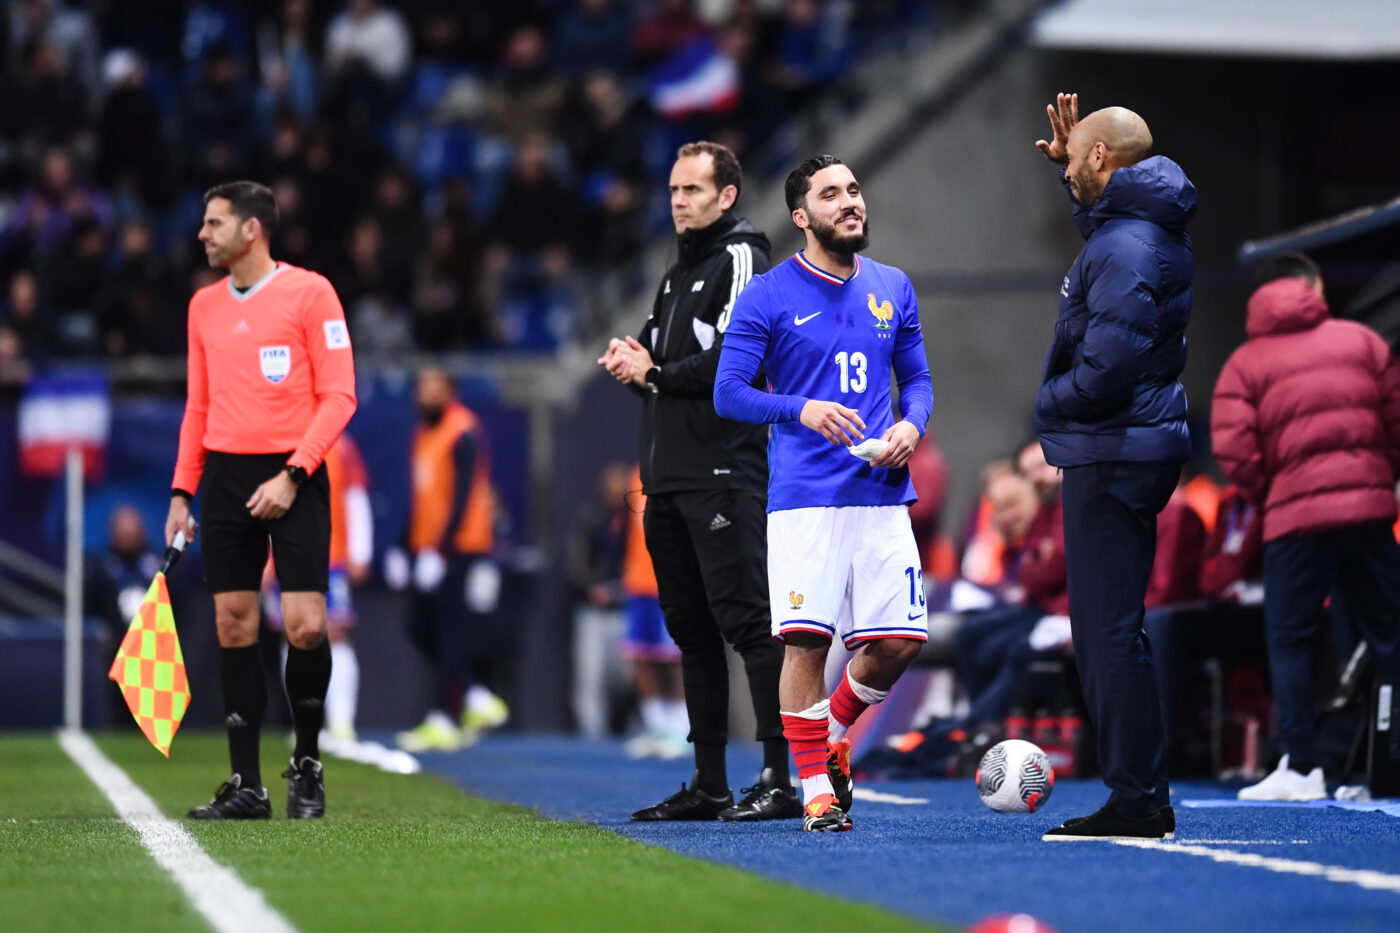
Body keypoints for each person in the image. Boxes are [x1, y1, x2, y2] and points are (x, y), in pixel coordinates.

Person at [714, 154, 934, 832]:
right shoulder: (768, 296)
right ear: (802, 216)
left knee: (900, 643)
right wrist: (800, 409)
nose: (851, 202)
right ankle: (815, 787)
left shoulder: (893, 286)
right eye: (832, 194)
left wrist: (910, 424)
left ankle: (834, 728)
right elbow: (729, 393)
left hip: (882, 493)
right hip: (806, 498)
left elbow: (918, 380)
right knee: (806, 642)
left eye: (855, 189)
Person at [598, 140, 797, 823]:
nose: (679, 200)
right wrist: (637, 366)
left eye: (693, 189)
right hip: (668, 479)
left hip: (722, 474)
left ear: (728, 196)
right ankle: (709, 781)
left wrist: (652, 371)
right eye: (675, 189)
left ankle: (779, 776)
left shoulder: (743, 258)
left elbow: (729, 366)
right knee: (691, 633)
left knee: (749, 623)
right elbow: (664, 371)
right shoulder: (674, 274)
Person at [1032, 93, 1196, 841]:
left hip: (1113, 442)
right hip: (1132, 441)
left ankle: (1136, 799)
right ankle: (1141, 791)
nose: (1064, 161)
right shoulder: (1137, 226)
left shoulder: (1127, 243)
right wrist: (1075, 184)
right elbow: (1108, 251)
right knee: (1111, 629)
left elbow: (1108, 364)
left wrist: (1051, 402)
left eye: (1075, 157)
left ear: (1102, 157)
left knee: (1104, 633)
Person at [166, 180, 357, 820]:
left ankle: (306, 759)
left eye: (214, 222)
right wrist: (181, 492)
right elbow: (198, 406)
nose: (203, 233)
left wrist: (294, 474)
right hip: (222, 477)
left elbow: (340, 395)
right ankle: (247, 785)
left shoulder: (311, 293)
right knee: (233, 625)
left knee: (304, 626)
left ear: (252, 230)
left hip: (293, 476)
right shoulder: (202, 307)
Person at [1211, 252, 1400, 800]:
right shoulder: (1362, 341)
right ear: (1314, 286)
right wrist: (1376, 475)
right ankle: (1388, 764)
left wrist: (1276, 495)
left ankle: (1302, 767)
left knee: (1289, 639)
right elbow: (1395, 419)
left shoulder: (1245, 363)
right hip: (1367, 510)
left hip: (1295, 520)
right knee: (1389, 631)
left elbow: (1233, 448)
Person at [392, 369, 507, 752]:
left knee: (449, 629)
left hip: (462, 547)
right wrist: (403, 545)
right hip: (430, 547)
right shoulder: (421, 434)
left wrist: (440, 551)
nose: (425, 394)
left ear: (451, 393)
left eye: (434, 388)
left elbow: (462, 497)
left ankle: (444, 717)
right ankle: (475, 695)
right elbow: (424, 499)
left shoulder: (463, 431)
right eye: (421, 387)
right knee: (421, 628)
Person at [260, 432, 373, 749]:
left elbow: (355, 495)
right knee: (292, 634)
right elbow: (263, 500)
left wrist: (360, 551)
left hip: (331, 553)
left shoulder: (341, 444)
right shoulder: (273, 441)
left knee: (334, 631)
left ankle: (341, 723)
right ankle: (306, 721)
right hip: (284, 553)